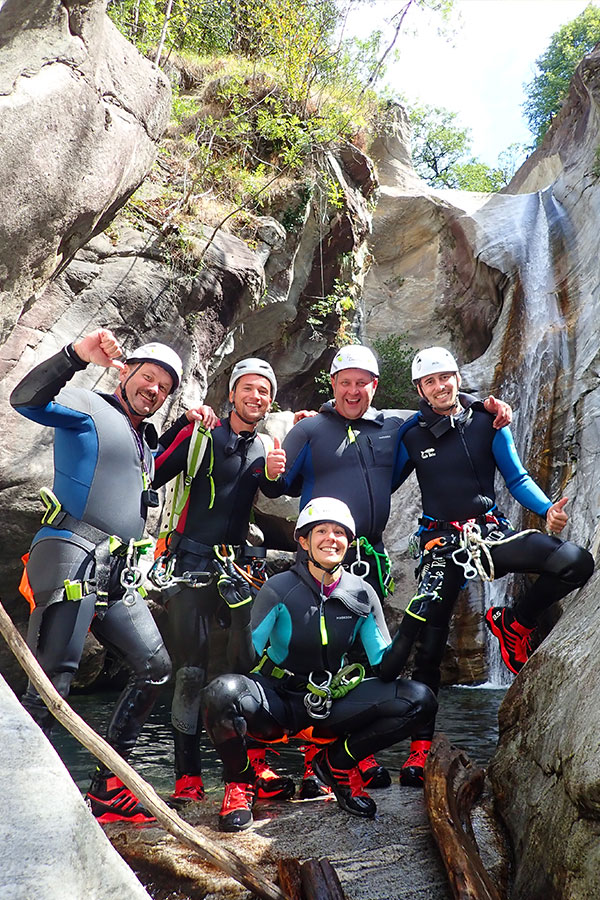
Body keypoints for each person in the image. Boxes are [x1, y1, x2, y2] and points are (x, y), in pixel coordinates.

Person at [260, 343, 511, 788]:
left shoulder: (394, 425)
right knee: (314, 654)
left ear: (374, 386)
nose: (353, 391)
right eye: (345, 382)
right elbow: (279, 488)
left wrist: (487, 405)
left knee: (364, 656)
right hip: (321, 556)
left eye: (362, 383)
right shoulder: (310, 429)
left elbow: (444, 406)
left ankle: (355, 753)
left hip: (368, 556)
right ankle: (312, 761)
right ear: (333, 384)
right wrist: (270, 469)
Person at [388, 346, 595, 786]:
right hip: (441, 544)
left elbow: (516, 477)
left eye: (445, 377)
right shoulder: (410, 435)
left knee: (575, 561)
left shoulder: (488, 420)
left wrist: (547, 509)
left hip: (489, 535)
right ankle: (419, 748)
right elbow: (381, 481)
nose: (440, 386)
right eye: (430, 382)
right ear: (420, 390)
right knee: (430, 646)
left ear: (457, 377)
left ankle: (515, 623)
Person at [10, 329, 183, 823]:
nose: (154, 389)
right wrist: (75, 356)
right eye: (148, 377)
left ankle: (109, 787)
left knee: (155, 667)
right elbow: (25, 399)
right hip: (71, 552)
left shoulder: (142, 440)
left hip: (116, 570)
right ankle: (20, 800)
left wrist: (190, 427)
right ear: (125, 373)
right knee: (52, 683)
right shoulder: (88, 406)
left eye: (164, 387)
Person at [200, 497, 437, 832]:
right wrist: (240, 614)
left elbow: (385, 670)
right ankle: (240, 783)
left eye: (339, 532)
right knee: (220, 693)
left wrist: (412, 623)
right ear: (303, 541)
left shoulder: (363, 593)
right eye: (321, 531)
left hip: (330, 703)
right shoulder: (279, 588)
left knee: (420, 700)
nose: (331, 538)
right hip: (278, 702)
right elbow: (243, 664)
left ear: (349, 542)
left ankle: (337, 764)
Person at [152, 357, 300, 805]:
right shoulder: (203, 436)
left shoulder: (264, 447)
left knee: (247, 668)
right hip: (190, 564)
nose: (256, 396)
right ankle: (187, 776)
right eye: (248, 388)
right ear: (232, 393)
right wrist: (182, 422)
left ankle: (252, 766)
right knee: (191, 672)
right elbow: (152, 469)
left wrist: (280, 467)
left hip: (237, 568)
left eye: (264, 391)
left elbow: (274, 490)